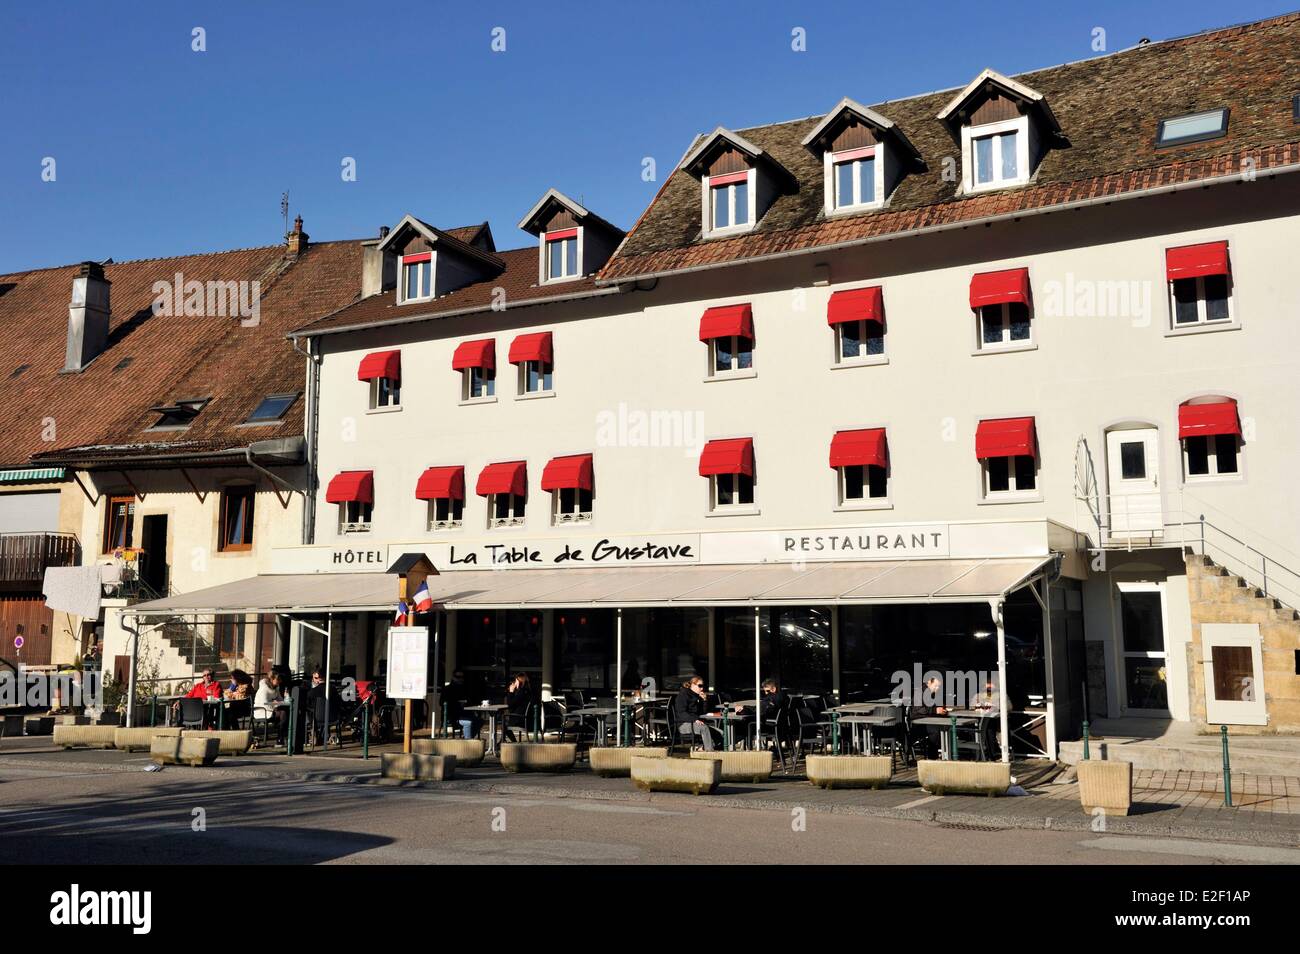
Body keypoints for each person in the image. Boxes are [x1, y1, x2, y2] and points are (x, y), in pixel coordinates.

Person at [673, 676, 718, 751]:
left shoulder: (697, 696)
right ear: (693, 685)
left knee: (720, 733)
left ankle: (701, 748)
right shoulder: (683, 695)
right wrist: (694, 720)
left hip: (695, 722)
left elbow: (702, 712)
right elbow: (682, 713)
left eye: (703, 686)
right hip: (683, 723)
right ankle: (709, 752)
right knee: (704, 728)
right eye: (700, 686)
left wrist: (704, 700)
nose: (702, 688)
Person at [254, 670, 289, 745]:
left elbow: (280, 699)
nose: (280, 681)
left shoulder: (276, 688)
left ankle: (282, 735)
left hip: (271, 709)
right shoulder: (264, 689)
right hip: (261, 710)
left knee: (285, 711)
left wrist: (283, 701)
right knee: (283, 713)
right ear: (272, 679)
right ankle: (281, 737)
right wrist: (276, 705)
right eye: (278, 679)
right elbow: (265, 704)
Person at [443, 669, 477, 740]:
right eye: (458, 677)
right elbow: (442, 702)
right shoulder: (447, 689)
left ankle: (468, 737)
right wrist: (457, 703)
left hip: (464, 714)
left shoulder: (464, 689)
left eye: (462, 677)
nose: (460, 679)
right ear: (453, 677)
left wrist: (466, 703)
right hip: (452, 716)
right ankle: (468, 742)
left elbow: (469, 700)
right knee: (468, 722)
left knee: (479, 720)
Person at [307, 667, 332, 748]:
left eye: (317, 678)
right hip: (332, 717)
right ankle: (318, 735)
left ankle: (313, 733)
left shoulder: (313, 691)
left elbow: (307, 703)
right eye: (314, 678)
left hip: (317, 717)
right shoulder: (333, 689)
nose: (316, 680)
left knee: (308, 712)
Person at [502, 673, 531, 743]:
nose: (514, 683)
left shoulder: (522, 692)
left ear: (520, 682)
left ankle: (513, 742)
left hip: (520, 720)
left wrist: (511, 692)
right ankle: (509, 742)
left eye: (516, 681)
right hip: (526, 719)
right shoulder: (527, 691)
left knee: (504, 725)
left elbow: (510, 704)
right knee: (505, 722)